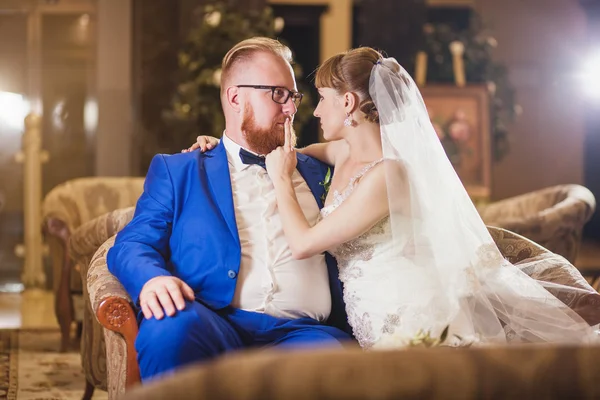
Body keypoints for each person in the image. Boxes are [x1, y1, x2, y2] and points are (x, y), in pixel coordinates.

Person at [192, 47, 598, 349]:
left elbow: (302, 243)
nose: (313, 113)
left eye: (321, 99)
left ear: (347, 103)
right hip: (368, 311)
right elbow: (281, 153)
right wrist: (220, 145)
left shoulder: (389, 175)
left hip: (404, 310)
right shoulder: (342, 152)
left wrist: (281, 182)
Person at [107, 37, 352, 382]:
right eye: (278, 94)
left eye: (292, 96)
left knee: (335, 360)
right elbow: (132, 243)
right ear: (236, 97)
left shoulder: (322, 170)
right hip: (210, 320)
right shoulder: (180, 171)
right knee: (168, 331)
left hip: (304, 333)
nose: (291, 109)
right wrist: (152, 279)